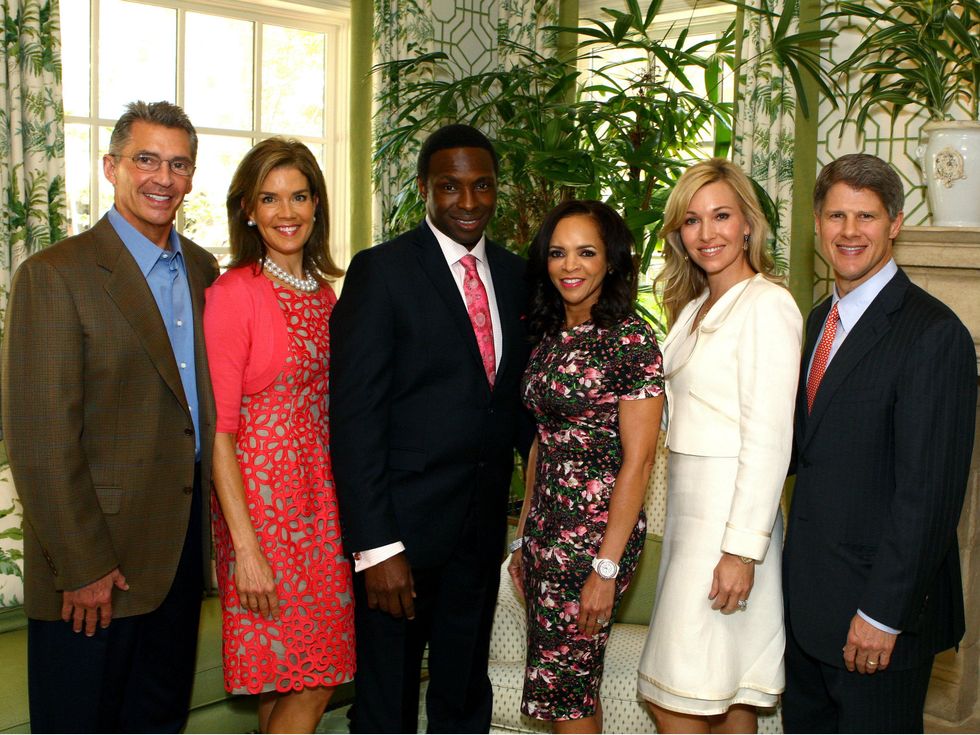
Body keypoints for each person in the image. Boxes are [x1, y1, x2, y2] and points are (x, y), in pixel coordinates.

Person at [0, 101, 217, 732]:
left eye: (179, 164)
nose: (162, 177)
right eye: (146, 159)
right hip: (94, 569)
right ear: (111, 167)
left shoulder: (204, 270)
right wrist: (84, 564)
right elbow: (42, 441)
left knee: (158, 720)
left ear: (192, 178)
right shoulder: (54, 275)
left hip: (177, 552)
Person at [330, 123, 531, 733]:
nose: (468, 203)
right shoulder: (381, 272)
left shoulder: (519, 276)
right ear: (424, 189)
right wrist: (377, 548)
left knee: (464, 696)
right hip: (401, 540)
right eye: (450, 187)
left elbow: (518, 407)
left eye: (482, 187)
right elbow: (355, 420)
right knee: (386, 703)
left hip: (478, 535)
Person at [782, 153, 976, 733]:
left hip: (877, 617)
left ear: (894, 223)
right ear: (817, 223)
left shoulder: (935, 333)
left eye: (865, 217)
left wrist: (882, 615)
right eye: (836, 215)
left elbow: (930, 496)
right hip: (809, 608)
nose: (849, 232)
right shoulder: (817, 320)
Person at [636, 158, 802, 733]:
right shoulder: (691, 309)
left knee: (675, 695)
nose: (707, 233)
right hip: (690, 516)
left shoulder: (767, 304)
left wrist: (741, 551)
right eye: (691, 220)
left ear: (749, 225)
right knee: (726, 693)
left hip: (729, 523)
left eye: (722, 216)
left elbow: (770, 439)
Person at [203, 138, 353, 733]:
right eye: (269, 198)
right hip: (262, 518)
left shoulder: (322, 292)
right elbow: (218, 433)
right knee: (315, 679)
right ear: (247, 209)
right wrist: (245, 553)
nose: (285, 212)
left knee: (287, 677)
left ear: (316, 205)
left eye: (298, 196)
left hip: (319, 509)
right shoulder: (233, 294)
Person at [508, 200, 665, 732]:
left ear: (612, 261)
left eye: (586, 252)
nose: (570, 266)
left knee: (568, 687)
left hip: (596, 537)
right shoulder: (550, 337)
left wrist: (606, 567)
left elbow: (640, 462)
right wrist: (523, 537)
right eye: (558, 253)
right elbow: (541, 444)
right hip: (546, 535)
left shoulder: (631, 341)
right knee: (566, 685)